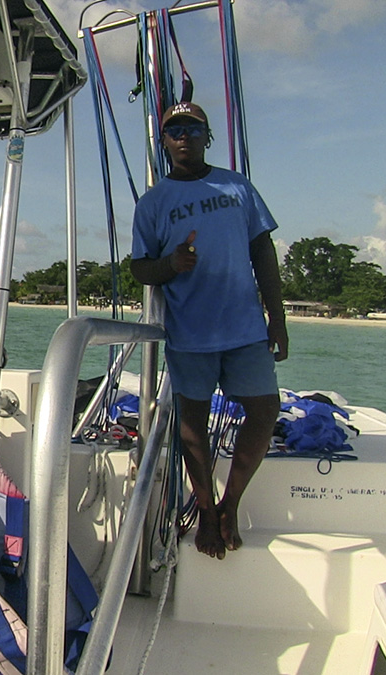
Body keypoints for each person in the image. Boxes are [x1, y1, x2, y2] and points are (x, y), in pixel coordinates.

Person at [130, 101, 288, 560]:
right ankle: (203, 508)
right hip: (190, 334)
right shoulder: (154, 202)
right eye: (174, 130)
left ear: (207, 137)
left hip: (244, 327)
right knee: (193, 427)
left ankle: (230, 503)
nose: (184, 136)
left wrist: (276, 318)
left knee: (264, 410)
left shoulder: (237, 187)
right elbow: (141, 267)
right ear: (164, 141)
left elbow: (264, 253)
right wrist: (171, 264)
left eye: (193, 129)